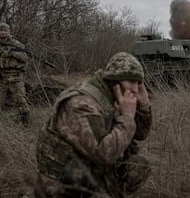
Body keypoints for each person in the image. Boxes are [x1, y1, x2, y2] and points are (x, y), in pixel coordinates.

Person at [34, 52, 153, 198]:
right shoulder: (81, 104)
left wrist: (143, 107)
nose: (135, 89)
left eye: (138, 83)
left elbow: (140, 135)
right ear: (113, 82)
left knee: (139, 165)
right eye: (130, 81)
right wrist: (127, 117)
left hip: (89, 169)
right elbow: (104, 154)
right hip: (63, 182)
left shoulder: (114, 96)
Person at [0, 23, 30, 129]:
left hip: (15, 76)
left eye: (5, 30)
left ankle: (25, 125)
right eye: (1, 30)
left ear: (9, 31)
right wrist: (1, 50)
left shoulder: (16, 43)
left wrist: (12, 53)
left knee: (21, 101)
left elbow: (25, 58)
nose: (3, 32)